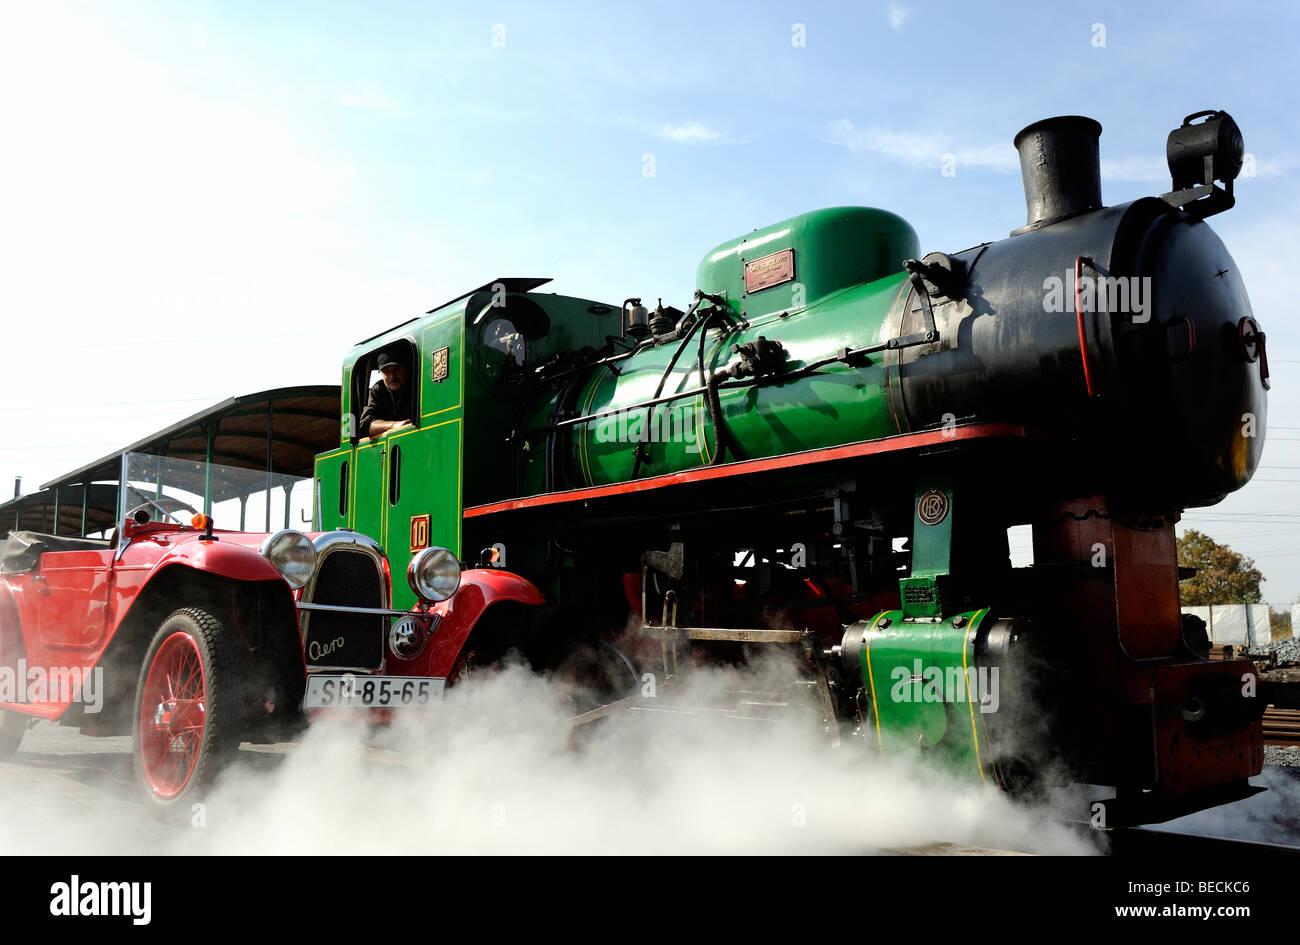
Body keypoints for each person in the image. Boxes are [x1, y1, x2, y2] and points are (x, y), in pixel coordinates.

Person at [358, 349, 415, 438]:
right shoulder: (378, 389)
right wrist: (394, 426)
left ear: (407, 369)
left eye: (397, 369)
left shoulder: (417, 385)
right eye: (387, 372)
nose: (392, 376)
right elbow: (365, 425)